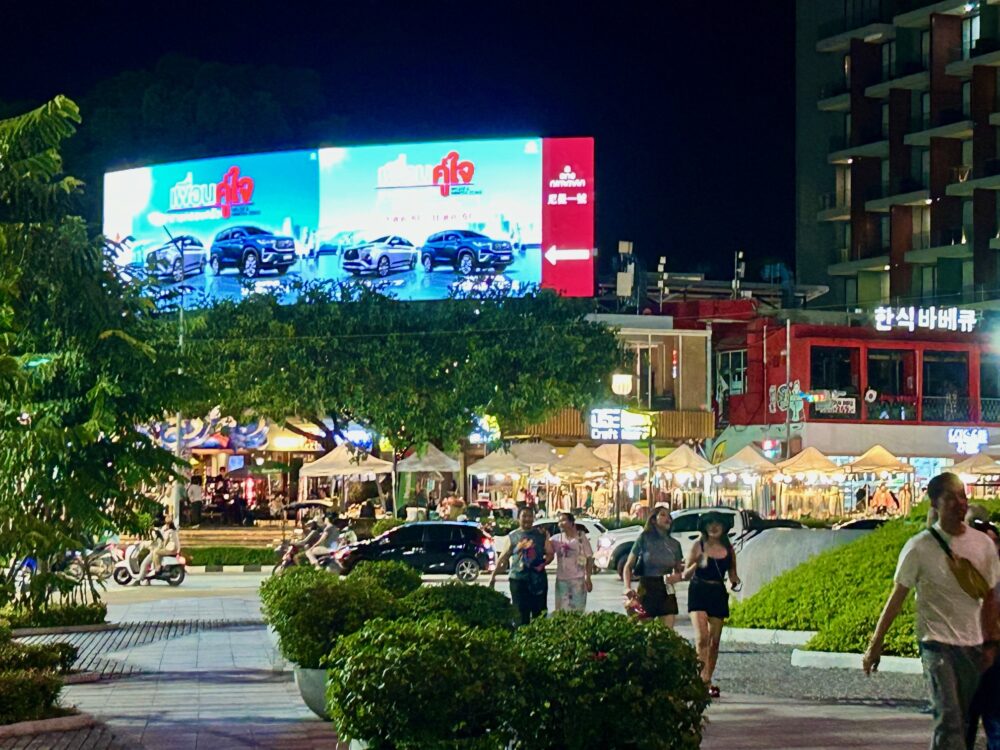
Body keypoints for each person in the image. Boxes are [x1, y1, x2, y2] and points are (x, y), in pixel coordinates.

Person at [863, 472, 1000, 750]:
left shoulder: (983, 544)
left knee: (963, 722)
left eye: (962, 496)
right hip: (936, 645)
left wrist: (991, 642)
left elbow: (989, 596)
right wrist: (875, 644)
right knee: (949, 717)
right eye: (951, 498)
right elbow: (897, 597)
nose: (960, 503)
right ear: (935, 503)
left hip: (972, 644)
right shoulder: (919, 547)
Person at [683, 510, 741, 698]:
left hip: (717, 592)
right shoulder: (698, 545)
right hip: (698, 590)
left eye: (718, 524)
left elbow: (732, 573)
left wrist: (735, 581)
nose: (714, 527)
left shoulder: (728, 549)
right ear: (704, 527)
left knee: (714, 641)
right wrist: (697, 563)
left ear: (724, 527)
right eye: (710, 524)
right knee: (702, 638)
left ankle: (708, 678)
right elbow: (685, 574)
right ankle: (700, 680)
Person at [489, 507, 553, 625]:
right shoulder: (513, 536)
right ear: (518, 518)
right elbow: (503, 557)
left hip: (538, 580)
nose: (527, 519)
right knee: (520, 613)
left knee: (539, 614)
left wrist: (543, 564)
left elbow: (550, 554)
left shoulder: (541, 534)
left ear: (533, 518)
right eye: (524, 516)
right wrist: (493, 576)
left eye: (530, 516)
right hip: (518, 580)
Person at [968, 518, 1000, 750]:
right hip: (965, 652)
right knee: (964, 722)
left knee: (995, 719)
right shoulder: (961, 570)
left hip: (994, 652)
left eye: (995, 542)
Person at [623, 506, 684, 627]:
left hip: (666, 589)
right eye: (663, 515)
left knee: (667, 633)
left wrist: (678, 576)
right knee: (646, 631)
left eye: (669, 516)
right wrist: (627, 587)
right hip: (647, 587)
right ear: (653, 520)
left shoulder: (675, 544)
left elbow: (679, 570)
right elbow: (628, 566)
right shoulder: (644, 539)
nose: (668, 519)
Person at [550, 512, 593, 612]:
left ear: (572, 522)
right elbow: (548, 551)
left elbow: (589, 558)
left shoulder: (581, 537)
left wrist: (588, 577)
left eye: (563, 520)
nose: (560, 523)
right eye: (559, 521)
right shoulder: (556, 539)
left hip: (578, 580)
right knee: (561, 611)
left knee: (578, 610)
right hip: (562, 580)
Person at [138, 515, 180, 584]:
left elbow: (163, 541)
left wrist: (143, 544)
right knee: (151, 558)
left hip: (167, 549)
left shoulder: (164, 531)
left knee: (152, 556)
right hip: (172, 548)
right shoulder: (171, 530)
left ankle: (157, 568)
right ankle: (149, 576)